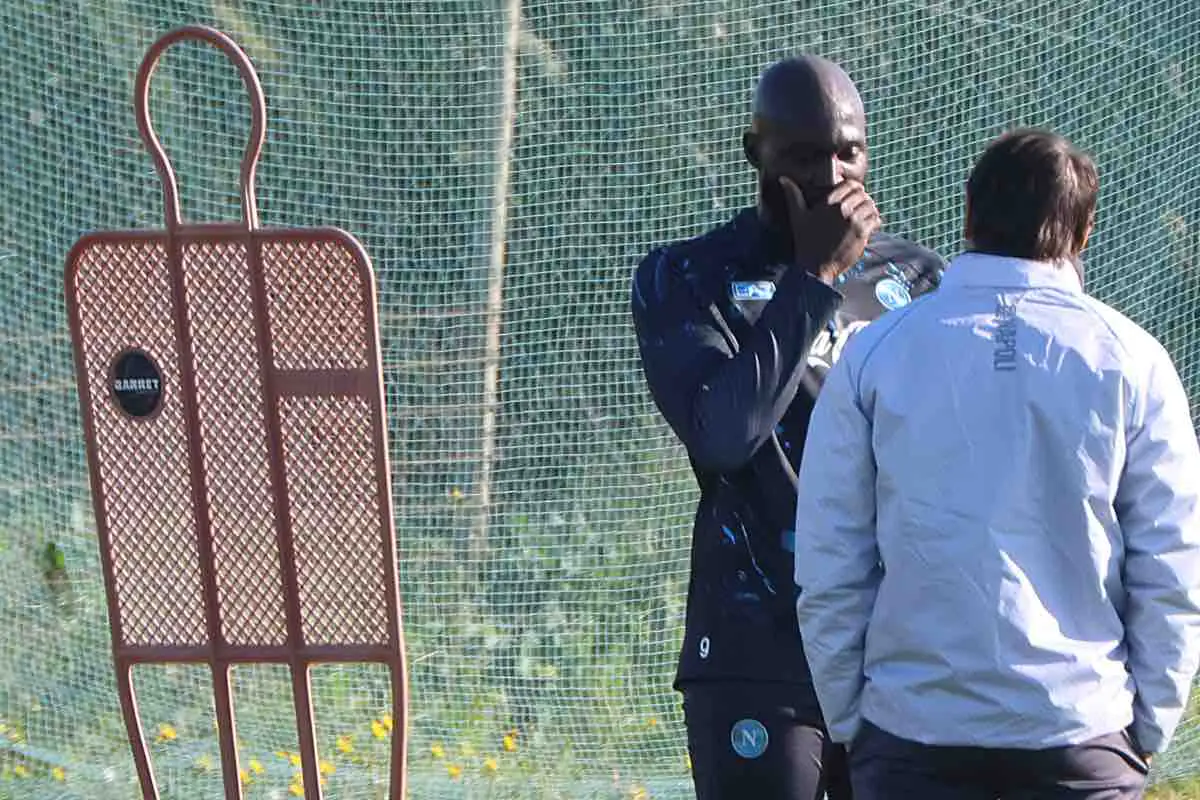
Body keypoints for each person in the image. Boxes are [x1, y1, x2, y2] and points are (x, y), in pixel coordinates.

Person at [793, 127, 1200, 800]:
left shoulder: (876, 354)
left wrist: (851, 721)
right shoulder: (1135, 361)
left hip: (913, 736)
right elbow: (1173, 564)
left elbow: (830, 559)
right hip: (1081, 737)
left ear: (968, 214)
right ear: (1085, 231)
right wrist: (1144, 729)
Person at [630, 54, 944, 800]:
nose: (832, 176)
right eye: (804, 157)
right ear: (757, 155)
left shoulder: (920, 282)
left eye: (848, 152)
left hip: (897, 648)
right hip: (758, 650)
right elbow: (724, 436)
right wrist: (815, 279)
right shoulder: (687, 277)